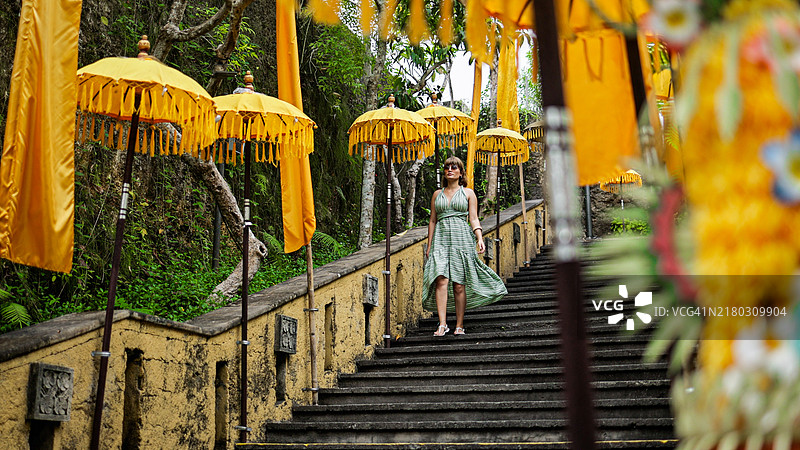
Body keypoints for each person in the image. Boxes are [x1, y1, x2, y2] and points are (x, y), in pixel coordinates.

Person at [422, 156, 508, 336]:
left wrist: (479, 238)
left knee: (459, 284)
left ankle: (459, 325)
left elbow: (474, 218)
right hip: (441, 238)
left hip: (461, 237)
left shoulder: (468, 193)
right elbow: (432, 221)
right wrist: (429, 245)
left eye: (454, 167)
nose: (450, 170)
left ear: (461, 172)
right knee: (441, 279)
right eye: (447, 167)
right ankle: (442, 324)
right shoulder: (437, 195)